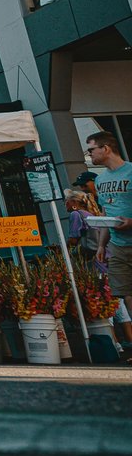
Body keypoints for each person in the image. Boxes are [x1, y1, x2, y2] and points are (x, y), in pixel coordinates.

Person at [86, 132, 132, 333]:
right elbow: (105, 214)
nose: (89, 155)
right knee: (126, 293)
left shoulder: (130, 172)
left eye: (91, 150)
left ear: (105, 149)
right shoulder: (100, 180)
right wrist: (102, 245)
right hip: (117, 244)